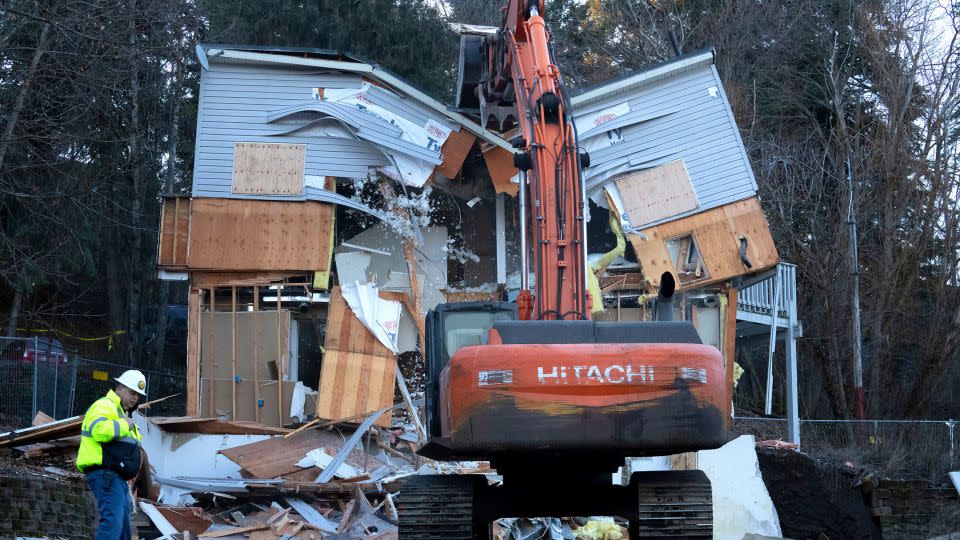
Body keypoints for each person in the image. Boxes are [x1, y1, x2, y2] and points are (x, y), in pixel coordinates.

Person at [76, 370, 147, 540]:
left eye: (138, 395)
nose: (136, 398)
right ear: (120, 387)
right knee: (113, 522)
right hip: (105, 473)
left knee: (122, 527)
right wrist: (124, 424)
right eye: (132, 392)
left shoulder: (120, 413)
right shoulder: (104, 406)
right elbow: (99, 431)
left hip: (116, 477)